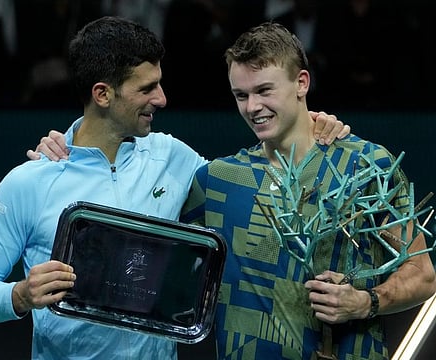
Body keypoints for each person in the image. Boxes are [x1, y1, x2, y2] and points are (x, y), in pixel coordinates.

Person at [0, 16, 349, 360]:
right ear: (103, 94)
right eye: (147, 88)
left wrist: (307, 123)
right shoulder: (29, 182)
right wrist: (20, 295)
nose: (161, 98)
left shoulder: (172, 157)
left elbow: (252, 178)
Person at [177, 21, 436, 359]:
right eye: (241, 95)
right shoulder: (216, 180)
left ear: (301, 83)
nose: (252, 107)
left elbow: (422, 276)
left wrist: (365, 302)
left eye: (265, 90)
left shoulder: (365, 166)